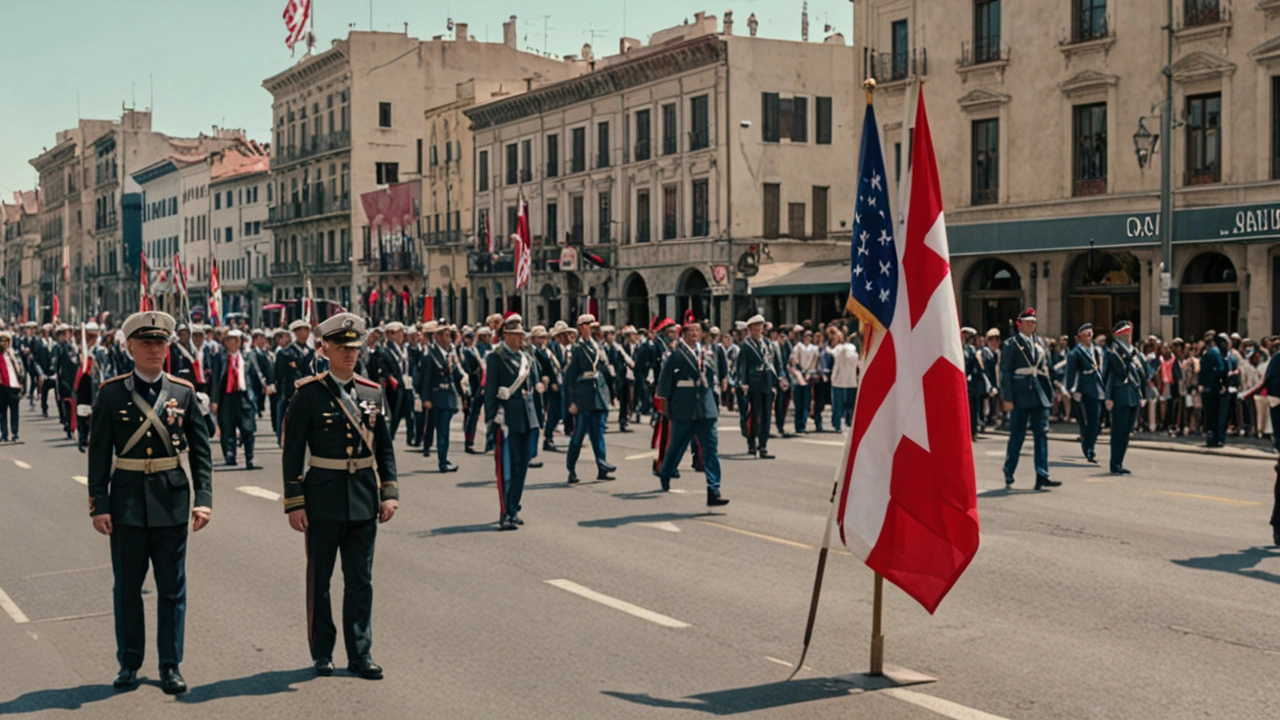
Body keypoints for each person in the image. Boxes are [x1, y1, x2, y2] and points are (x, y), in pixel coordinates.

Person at [87, 310, 213, 694]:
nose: (155, 350)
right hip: (125, 502)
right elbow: (98, 454)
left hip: (172, 499)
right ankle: (129, 661)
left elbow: (201, 453)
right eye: (147, 343)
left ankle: (170, 664)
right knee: (127, 587)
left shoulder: (183, 392)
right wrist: (99, 503)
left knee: (172, 588)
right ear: (130, 348)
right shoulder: (111, 393)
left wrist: (203, 499)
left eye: (160, 343)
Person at [281, 313, 398, 680]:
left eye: (354, 347)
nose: (350, 354)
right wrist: (295, 502)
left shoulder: (371, 392)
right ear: (325, 349)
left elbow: (384, 447)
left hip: (363, 498)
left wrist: (389, 491)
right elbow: (292, 453)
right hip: (323, 498)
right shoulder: (308, 393)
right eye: (342, 348)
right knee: (320, 578)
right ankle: (322, 651)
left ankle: (360, 653)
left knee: (360, 580)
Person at [655, 320, 728, 506]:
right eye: (691, 330)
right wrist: (665, 406)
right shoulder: (676, 355)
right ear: (684, 333)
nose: (695, 333)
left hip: (706, 407)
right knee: (677, 446)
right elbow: (664, 383)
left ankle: (714, 489)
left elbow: (714, 377)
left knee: (711, 449)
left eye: (698, 330)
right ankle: (666, 471)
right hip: (684, 408)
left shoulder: (707, 353)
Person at [485, 315, 540, 530]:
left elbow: (533, 387)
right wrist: (492, 417)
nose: (520, 339)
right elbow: (490, 390)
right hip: (507, 419)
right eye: (516, 335)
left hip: (527, 417)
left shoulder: (526, 358)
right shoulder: (496, 358)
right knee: (507, 468)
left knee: (522, 467)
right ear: (506, 335)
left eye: (521, 335)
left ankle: (514, 507)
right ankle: (505, 511)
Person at [999, 308, 1059, 490]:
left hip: (1038, 394)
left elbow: (1045, 370)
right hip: (1020, 395)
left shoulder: (1039, 344)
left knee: (1041, 434)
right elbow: (1005, 372)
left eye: (1033, 322)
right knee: (1017, 435)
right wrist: (1007, 398)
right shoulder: (1012, 344)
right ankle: (1009, 469)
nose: (1031, 325)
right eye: (1028, 322)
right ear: (1020, 323)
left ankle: (1042, 475)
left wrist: (1050, 394)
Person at [564, 313, 616, 484]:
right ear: (580, 328)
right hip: (583, 397)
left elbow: (605, 372)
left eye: (591, 325)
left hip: (599, 395)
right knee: (578, 436)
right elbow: (570, 378)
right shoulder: (577, 349)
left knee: (598, 433)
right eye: (587, 325)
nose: (590, 328)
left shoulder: (598, 347)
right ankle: (571, 468)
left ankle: (602, 466)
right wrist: (572, 401)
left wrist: (612, 395)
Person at [209, 329, 264, 469]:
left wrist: (259, 397)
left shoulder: (248, 356)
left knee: (248, 428)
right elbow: (215, 379)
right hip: (226, 397)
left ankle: (249, 457)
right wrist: (214, 400)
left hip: (244, 396)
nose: (232, 343)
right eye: (228, 340)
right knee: (227, 427)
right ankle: (230, 455)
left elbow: (256, 376)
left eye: (235, 339)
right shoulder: (219, 358)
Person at [1103, 321, 1147, 475]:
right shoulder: (1112, 352)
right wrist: (1108, 396)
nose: (1129, 336)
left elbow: (1143, 374)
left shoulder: (1135, 352)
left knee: (1127, 431)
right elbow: (1107, 376)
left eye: (1129, 333)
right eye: (1126, 333)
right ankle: (1114, 463)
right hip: (1120, 395)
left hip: (1133, 394)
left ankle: (1119, 462)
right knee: (1118, 431)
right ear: (1119, 335)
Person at [419, 321, 463, 472]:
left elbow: (454, 376)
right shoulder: (431, 355)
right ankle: (442, 461)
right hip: (437, 398)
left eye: (449, 335)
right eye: (445, 335)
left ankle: (444, 458)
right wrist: (425, 399)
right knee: (442, 432)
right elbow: (426, 379)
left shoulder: (449, 354)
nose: (448, 338)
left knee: (445, 431)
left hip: (448, 398)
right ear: (437, 337)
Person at [737, 315, 777, 459]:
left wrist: (778, 380)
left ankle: (763, 446)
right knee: (754, 415)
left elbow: (774, 363)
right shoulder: (747, 345)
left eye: (760, 327)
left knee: (766, 415)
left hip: (767, 383)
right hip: (754, 383)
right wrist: (744, 382)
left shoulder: (767, 344)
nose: (758, 330)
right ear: (750, 329)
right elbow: (743, 365)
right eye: (755, 328)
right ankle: (752, 443)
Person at [1066, 323, 1104, 464]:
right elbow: (1071, 373)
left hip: (1096, 389)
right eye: (1086, 335)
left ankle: (1090, 447)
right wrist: (1073, 389)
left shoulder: (1097, 351)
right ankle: (1087, 447)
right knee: (1085, 421)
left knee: (1095, 420)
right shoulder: (1075, 353)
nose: (1089, 337)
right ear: (1079, 337)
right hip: (1082, 389)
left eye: (1090, 334)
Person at [274, 318, 315, 443]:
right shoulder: (285, 353)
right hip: (290, 393)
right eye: (304, 330)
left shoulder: (312, 353)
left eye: (308, 330)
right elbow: (280, 375)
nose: (307, 333)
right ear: (297, 332)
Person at [1199, 331, 1228, 448]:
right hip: (1214, 387)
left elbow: (1202, 372)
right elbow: (1222, 369)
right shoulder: (1216, 354)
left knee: (1209, 414)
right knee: (1216, 414)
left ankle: (1210, 437)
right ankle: (1215, 438)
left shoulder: (1207, 354)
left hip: (1208, 387)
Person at [829, 327, 859, 433]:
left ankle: (843, 423)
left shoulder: (847, 349)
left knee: (843, 404)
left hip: (845, 380)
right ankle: (842, 423)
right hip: (844, 380)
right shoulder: (842, 349)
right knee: (843, 404)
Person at [0, 330, 26, 442]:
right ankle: (4, 434)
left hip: (14, 385)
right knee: (2, 412)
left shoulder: (13, 354)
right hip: (2, 385)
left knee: (14, 411)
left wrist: (21, 382)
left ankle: (15, 432)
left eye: (6, 341)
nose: (4, 343)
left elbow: (20, 368)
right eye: (1, 341)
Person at [961, 327, 985, 439]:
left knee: (972, 408)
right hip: (961, 381)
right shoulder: (958, 348)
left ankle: (972, 431)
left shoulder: (971, 350)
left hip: (970, 383)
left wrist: (971, 375)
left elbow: (976, 366)